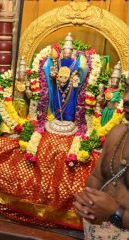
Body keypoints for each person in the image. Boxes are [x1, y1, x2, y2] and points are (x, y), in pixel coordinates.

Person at [73, 75, 129, 239]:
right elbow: (97, 176)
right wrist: (87, 202)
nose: (125, 97)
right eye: (126, 89)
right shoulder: (118, 133)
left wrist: (115, 213)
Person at [44, 32, 88, 122]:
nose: (66, 53)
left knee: (70, 101)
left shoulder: (76, 63)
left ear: (72, 52)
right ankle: (57, 116)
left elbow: (79, 72)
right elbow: (53, 74)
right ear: (62, 51)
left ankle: (68, 117)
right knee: (57, 99)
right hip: (58, 85)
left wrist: (76, 78)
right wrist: (52, 76)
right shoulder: (57, 62)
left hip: (70, 87)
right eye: (65, 51)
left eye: (69, 51)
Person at [100, 61, 122, 126]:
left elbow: (117, 105)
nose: (114, 83)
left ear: (119, 83)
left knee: (110, 126)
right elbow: (103, 103)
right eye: (113, 81)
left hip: (113, 112)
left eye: (116, 81)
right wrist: (101, 95)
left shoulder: (118, 92)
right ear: (110, 81)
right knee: (103, 125)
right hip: (106, 110)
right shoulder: (107, 90)